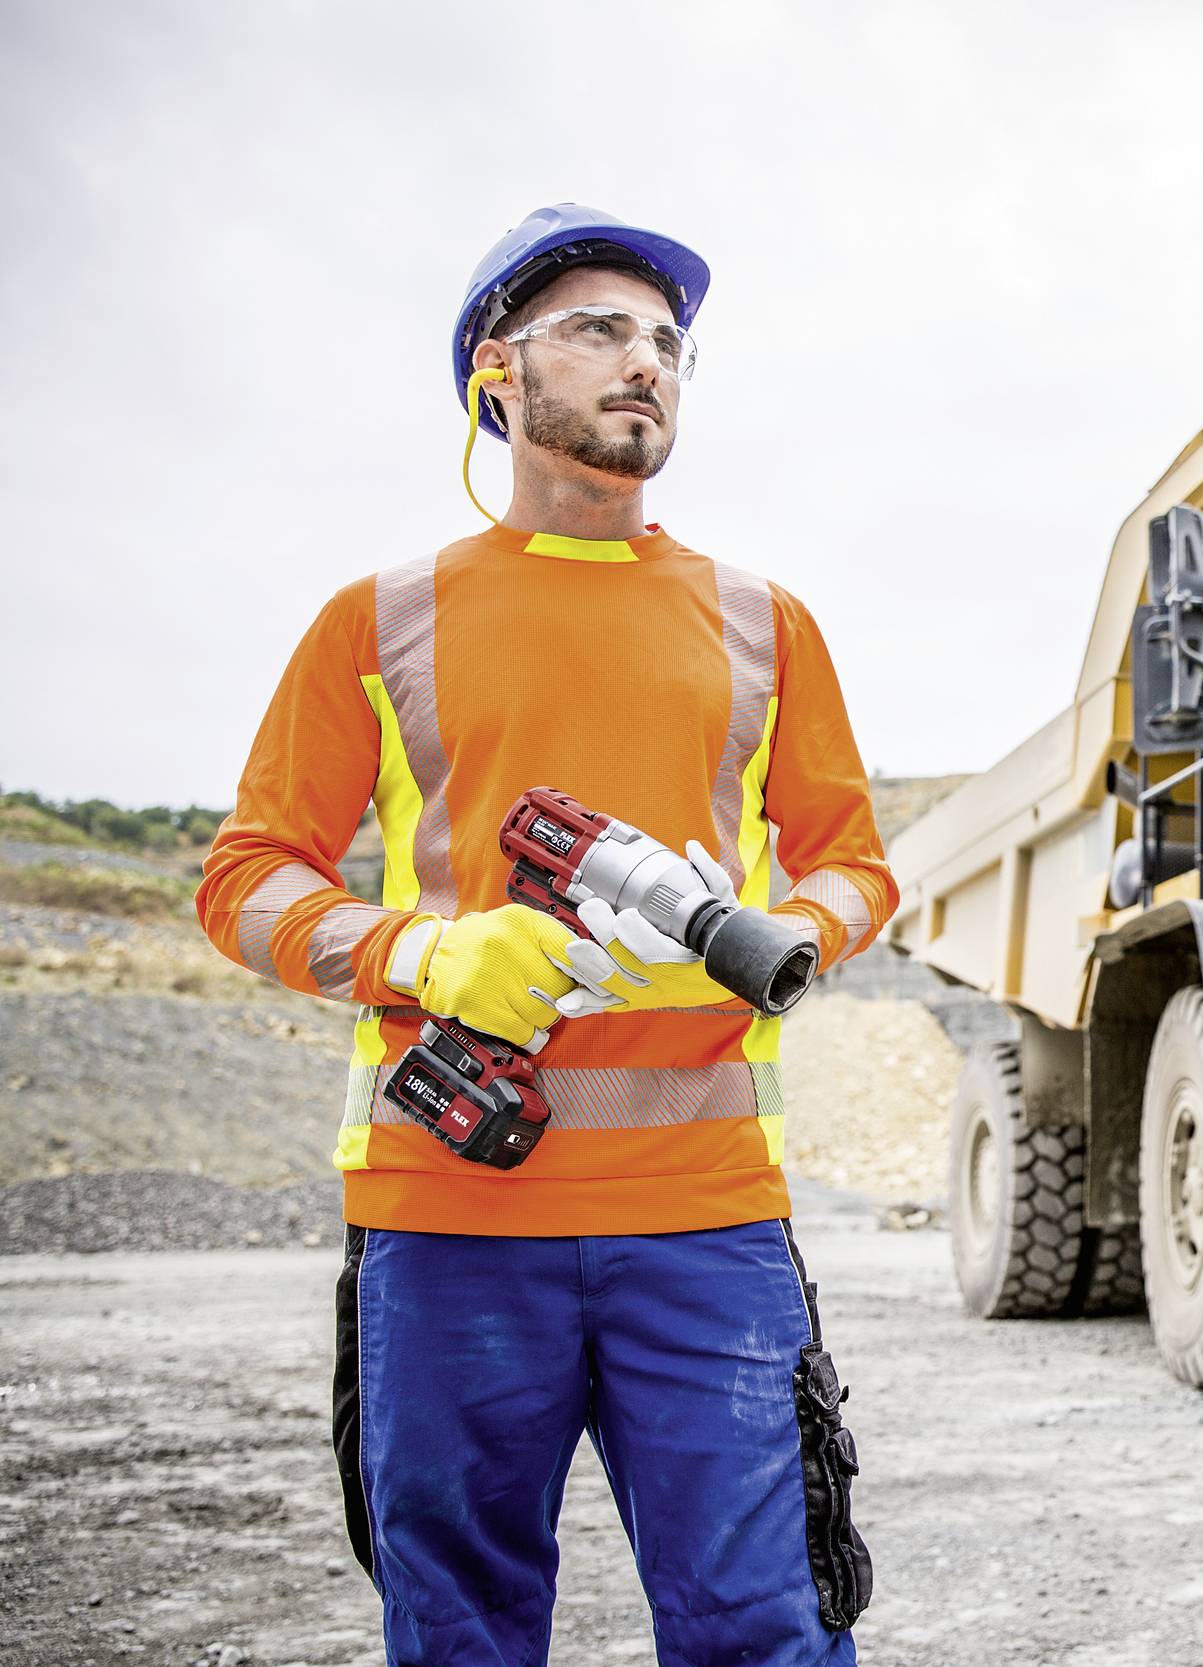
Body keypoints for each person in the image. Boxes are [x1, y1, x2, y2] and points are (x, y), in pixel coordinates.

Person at [195, 204, 889, 1667]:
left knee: (766, 1630)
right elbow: (247, 878)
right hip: (450, 1215)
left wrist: (772, 933)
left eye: (670, 343)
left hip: (705, 1218)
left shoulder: (767, 624)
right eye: (602, 329)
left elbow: (855, 872)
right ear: (497, 376)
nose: (649, 362)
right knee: (459, 1637)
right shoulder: (376, 623)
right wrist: (422, 955)